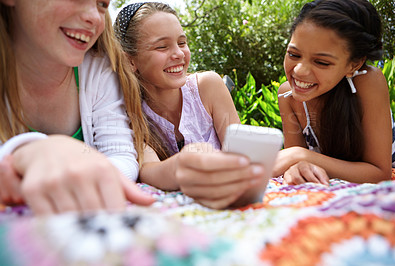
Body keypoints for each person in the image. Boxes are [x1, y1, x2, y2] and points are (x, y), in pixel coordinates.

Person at [0, 0, 154, 214]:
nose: (95, 17)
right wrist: (21, 152)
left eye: (102, 3)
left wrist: (85, 171)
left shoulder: (98, 70)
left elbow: (122, 155)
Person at [114, 2, 266, 209]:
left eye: (182, 42)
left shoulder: (208, 87)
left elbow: (244, 155)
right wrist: (184, 164)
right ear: (130, 61)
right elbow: (149, 170)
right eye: (162, 46)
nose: (178, 53)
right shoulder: (130, 113)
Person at [273, 0, 395, 185]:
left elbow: (379, 173)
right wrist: (297, 166)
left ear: (353, 65)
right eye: (294, 54)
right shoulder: (287, 96)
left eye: (322, 62)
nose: (300, 71)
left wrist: (298, 155)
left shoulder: (368, 81)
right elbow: (298, 166)